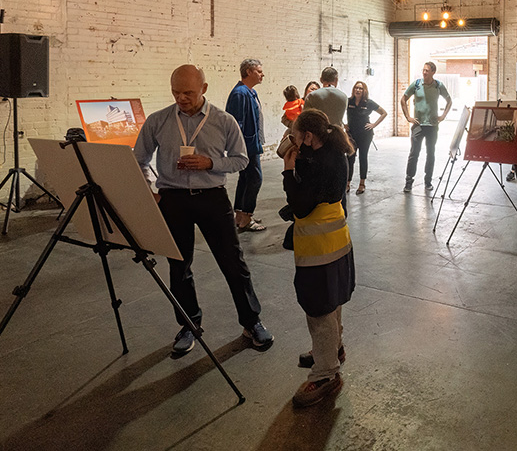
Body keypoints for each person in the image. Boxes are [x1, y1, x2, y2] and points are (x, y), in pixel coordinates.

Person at [134, 64, 272, 355]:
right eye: (176, 92)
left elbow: (241, 160)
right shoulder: (158, 121)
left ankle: (252, 321)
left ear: (204, 89)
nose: (181, 98)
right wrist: (151, 194)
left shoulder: (223, 121)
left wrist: (211, 163)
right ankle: (188, 325)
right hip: (173, 199)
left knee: (233, 263)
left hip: (213, 197)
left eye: (188, 93)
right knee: (179, 266)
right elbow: (139, 159)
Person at [281, 109, 356, 408]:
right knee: (332, 300)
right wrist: (300, 158)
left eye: (296, 136)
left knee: (319, 309)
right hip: (337, 241)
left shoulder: (318, 165)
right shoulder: (336, 152)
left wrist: (289, 170)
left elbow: (299, 205)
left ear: (309, 137)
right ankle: (332, 349)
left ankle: (325, 374)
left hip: (318, 248)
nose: (294, 141)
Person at [226, 58, 266, 232]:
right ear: (248, 72)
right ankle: (246, 218)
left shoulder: (249, 92)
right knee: (255, 178)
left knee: (246, 178)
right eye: (258, 71)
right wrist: (239, 148)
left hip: (251, 144)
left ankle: (240, 216)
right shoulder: (240, 94)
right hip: (247, 146)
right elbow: (236, 125)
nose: (262, 74)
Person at [401, 61, 452, 192]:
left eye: (427, 71)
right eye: (423, 70)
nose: (424, 73)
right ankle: (408, 181)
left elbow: (449, 100)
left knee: (431, 153)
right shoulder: (417, 84)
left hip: (432, 126)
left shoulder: (438, 86)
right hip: (418, 125)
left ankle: (428, 181)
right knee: (414, 153)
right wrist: (408, 117)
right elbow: (403, 99)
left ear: (433, 72)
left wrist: (443, 116)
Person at [346, 81, 387, 195]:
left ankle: (362, 183)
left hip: (365, 134)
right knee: (350, 157)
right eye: (356, 88)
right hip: (351, 134)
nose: (358, 90)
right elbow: (338, 111)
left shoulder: (368, 103)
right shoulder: (348, 101)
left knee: (363, 157)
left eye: (360, 88)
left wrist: (373, 124)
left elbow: (383, 113)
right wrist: (343, 124)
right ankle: (348, 183)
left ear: (364, 91)